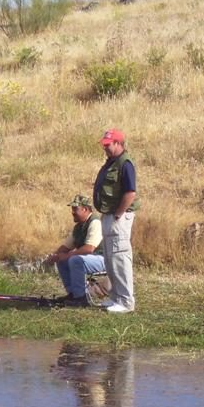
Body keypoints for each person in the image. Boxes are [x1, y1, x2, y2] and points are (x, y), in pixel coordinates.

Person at [93, 129, 138, 314]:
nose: (105, 147)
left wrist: (118, 214)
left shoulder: (125, 164)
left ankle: (126, 301)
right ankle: (115, 298)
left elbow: (130, 193)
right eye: (104, 144)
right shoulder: (111, 162)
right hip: (109, 215)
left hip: (119, 216)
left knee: (120, 258)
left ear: (119, 143)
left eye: (108, 144)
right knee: (110, 259)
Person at [46, 194, 105, 307]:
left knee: (75, 260)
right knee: (62, 259)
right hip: (89, 259)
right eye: (72, 209)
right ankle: (73, 294)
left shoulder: (95, 222)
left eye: (75, 209)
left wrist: (67, 255)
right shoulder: (78, 227)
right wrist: (56, 256)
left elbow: (89, 248)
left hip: (103, 259)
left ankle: (80, 298)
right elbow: (66, 247)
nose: (72, 212)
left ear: (85, 209)